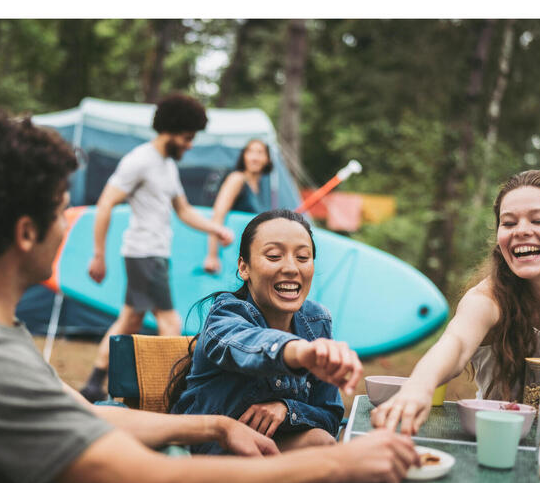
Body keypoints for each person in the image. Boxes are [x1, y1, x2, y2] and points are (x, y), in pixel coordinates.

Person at [0, 107, 419, 483]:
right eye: (60, 212)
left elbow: (81, 414)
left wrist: (212, 427)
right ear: (26, 233)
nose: (67, 226)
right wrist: (342, 461)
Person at [372, 169, 540, 436]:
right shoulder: (486, 300)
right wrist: (419, 385)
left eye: (538, 220)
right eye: (509, 223)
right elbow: (454, 346)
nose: (522, 231)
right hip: (495, 436)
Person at [79, 93, 234, 404]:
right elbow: (106, 203)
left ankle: (94, 382)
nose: (190, 145)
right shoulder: (139, 160)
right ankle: (178, 392)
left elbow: (184, 210)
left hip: (153, 253)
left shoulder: (166, 166)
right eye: (188, 138)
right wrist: (97, 254)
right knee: (170, 322)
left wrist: (214, 228)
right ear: (172, 130)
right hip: (144, 253)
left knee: (130, 320)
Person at [170, 209, 361, 457]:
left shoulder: (316, 322)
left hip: (270, 451)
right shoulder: (225, 316)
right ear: (244, 267)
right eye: (274, 256)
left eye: (303, 257)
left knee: (321, 445)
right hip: (207, 456)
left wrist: (286, 409)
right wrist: (301, 352)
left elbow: (329, 415)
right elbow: (247, 344)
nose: (292, 268)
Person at [203, 138, 272, 274]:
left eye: (260, 152)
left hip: (249, 255)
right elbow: (218, 215)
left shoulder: (262, 187)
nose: (255, 157)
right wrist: (212, 255)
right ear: (244, 157)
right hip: (230, 254)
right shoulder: (237, 179)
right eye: (250, 152)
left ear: (267, 159)